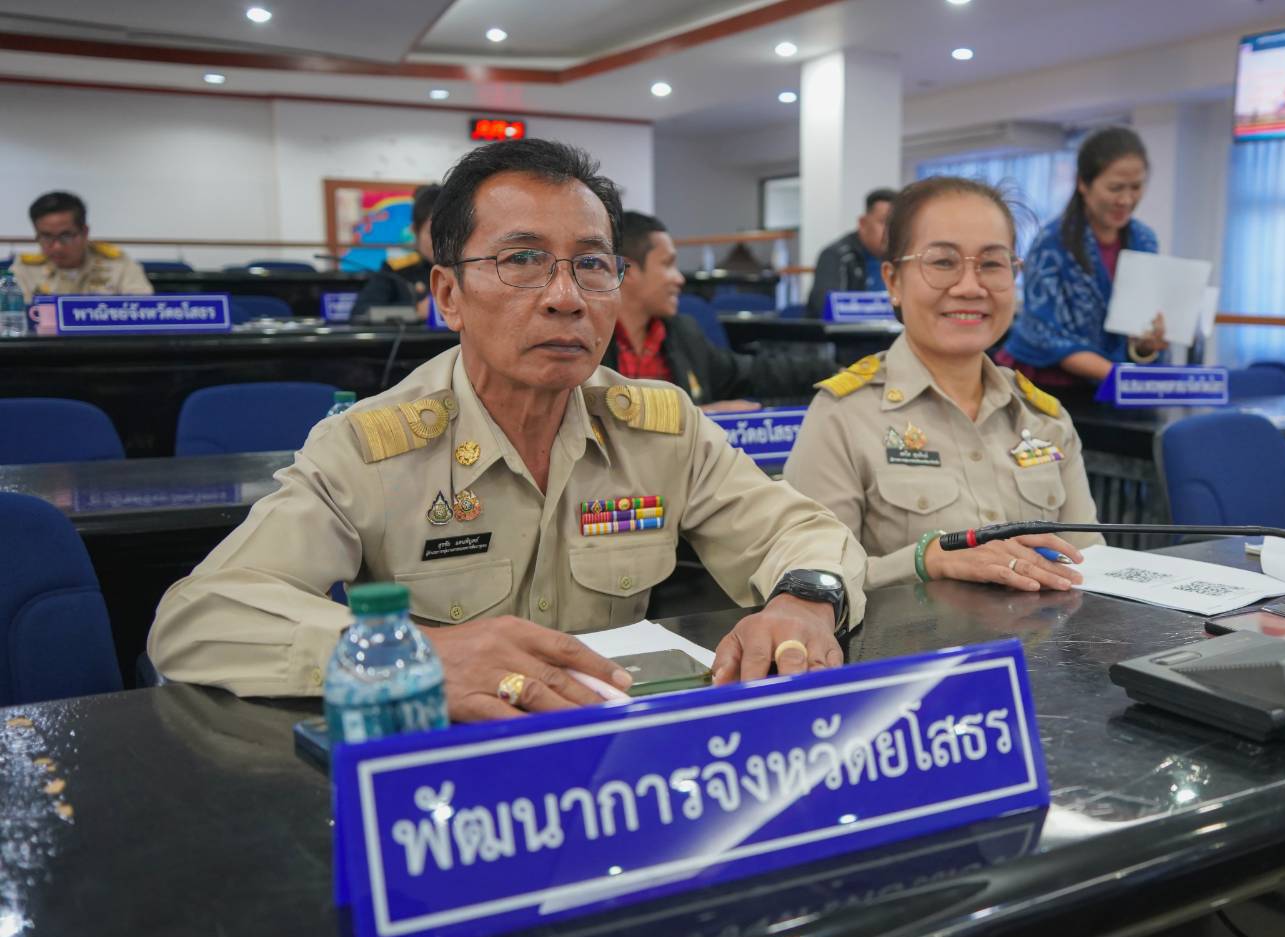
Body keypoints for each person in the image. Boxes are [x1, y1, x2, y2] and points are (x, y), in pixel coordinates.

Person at [149, 139, 866, 723]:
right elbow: (197, 616)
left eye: (590, 264)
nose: (564, 297)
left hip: (618, 759)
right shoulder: (371, 447)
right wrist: (417, 656)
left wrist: (804, 599)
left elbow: (801, 532)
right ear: (448, 295)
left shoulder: (661, 426)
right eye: (521, 260)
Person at [785, 176, 1101, 592]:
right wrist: (924, 561)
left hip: (1043, 652)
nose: (970, 287)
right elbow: (806, 580)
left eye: (992, 264)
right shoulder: (844, 415)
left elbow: (1092, 568)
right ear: (893, 281)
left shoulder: (1045, 418)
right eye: (942, 262)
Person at [611, 211, 834, 413]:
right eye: (668, 264)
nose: (679, 279)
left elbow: (753, 372)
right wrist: (697, 417)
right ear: (627, 271)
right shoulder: (589, 343)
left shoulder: (682, 333)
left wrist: (836, 371)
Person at [999, 127, 1167, 389]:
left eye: (1136, 187)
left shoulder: (1144, 241)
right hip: (1048, 384)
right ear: (1083, 184)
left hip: (1114, 383)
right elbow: (1045, 334)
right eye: (1115, 188)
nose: (1126, 199)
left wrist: (1145, 345)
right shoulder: (1052, 243)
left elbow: (1135, 330)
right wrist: (1120, 377)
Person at [10, 191, 152, 302]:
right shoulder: (24, 270)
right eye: (47, 237)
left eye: (66, 236)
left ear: (84, 232)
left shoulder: (118, 264)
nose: (57, 247)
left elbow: (144, 309)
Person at [350, 184, 440, 321]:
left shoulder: (468, 268)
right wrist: (414, 310)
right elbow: (359, 313)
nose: (441, 240)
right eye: (431, 232)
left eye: (448, 232)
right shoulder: (395, 271)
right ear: (415, 231)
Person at [805, 187, 896, 319]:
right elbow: (827, 307)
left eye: (895, 224)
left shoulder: (901, 258)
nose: (890, 231)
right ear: (862, 223)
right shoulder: (836, 256)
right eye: (883, 222)